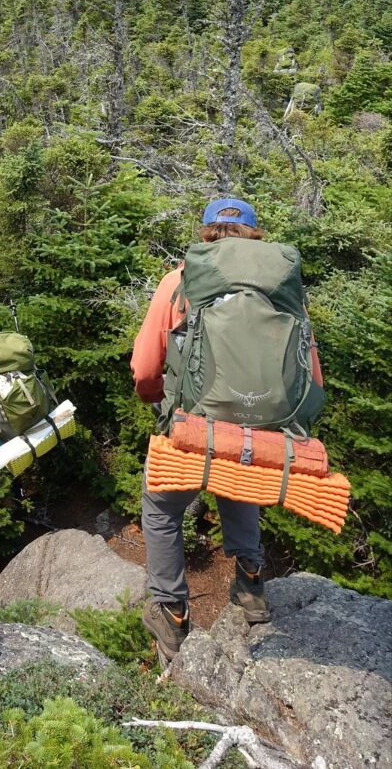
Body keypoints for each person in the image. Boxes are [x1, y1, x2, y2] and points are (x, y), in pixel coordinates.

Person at [130, 199, 323, 661]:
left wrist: (157, 399)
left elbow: (142, 369)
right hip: (263, 431)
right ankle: (252, 583)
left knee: (160, 508)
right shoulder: (281, 287)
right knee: (239, 479)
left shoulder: (180, 281)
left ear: (206, 234)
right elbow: (310, 373)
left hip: (194, 428)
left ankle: (172, 613)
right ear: (256, 237)